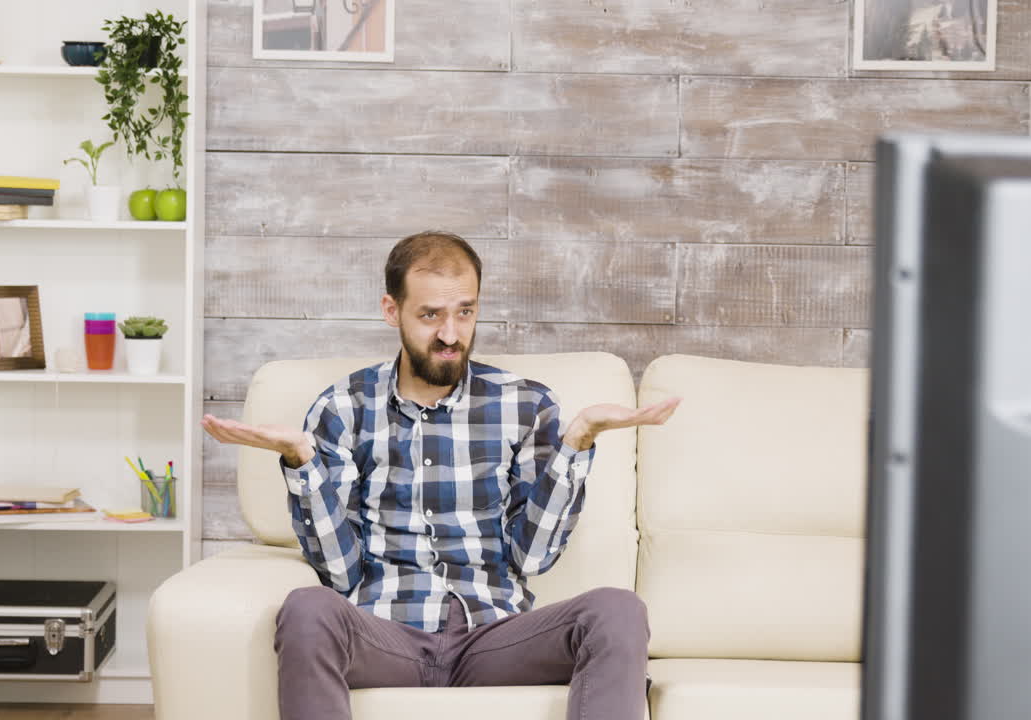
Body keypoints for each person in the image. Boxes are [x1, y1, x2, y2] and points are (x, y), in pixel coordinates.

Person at [201, 230, 681, 720]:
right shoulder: (343, 407)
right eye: (431, 315)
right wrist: (301, 463)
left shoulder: (526, 405)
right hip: (386, 633)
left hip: (493, 636)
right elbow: (340, 572)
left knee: (617, 610)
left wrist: (577, 442)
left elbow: (532, 558)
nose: (451, 334)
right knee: (306, 608)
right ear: (393, 311)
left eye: (465, 312)